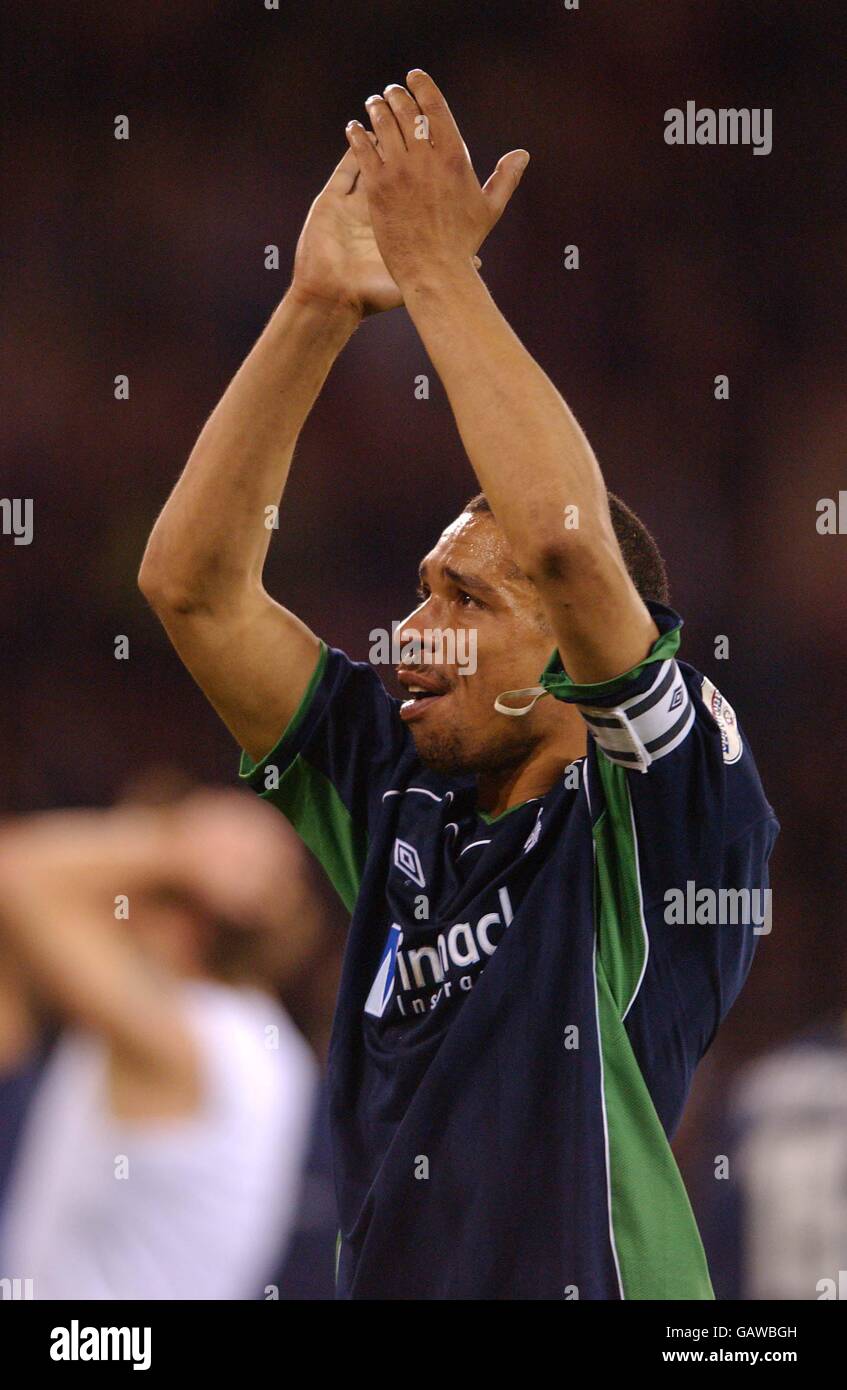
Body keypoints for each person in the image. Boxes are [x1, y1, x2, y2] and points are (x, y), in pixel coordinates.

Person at [139, 71, 779, 1299]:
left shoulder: (662, 801)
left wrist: (441, 273)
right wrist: (318, 305)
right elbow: (195, 592)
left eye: (464, 601)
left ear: (576, 658)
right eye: (424, 588)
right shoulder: (398, 796)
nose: (412, 633)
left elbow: (561, 543)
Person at [0, 790, 319, 1299]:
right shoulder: (247, 1037)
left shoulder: (186, 1037)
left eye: (139, 896)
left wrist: (176, 847)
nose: (113, 907)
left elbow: (15, 873)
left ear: (182, 925)